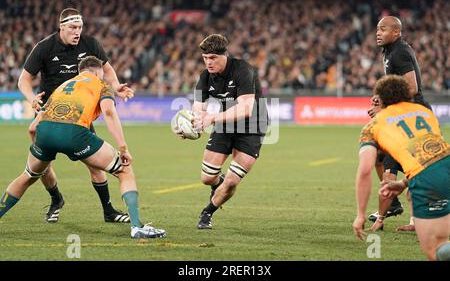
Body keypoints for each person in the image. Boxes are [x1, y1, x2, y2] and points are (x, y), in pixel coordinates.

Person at [0, 56, 165, 239]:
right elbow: (109, 112)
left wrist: (40, 150)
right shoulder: (101, 85)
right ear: (97, 71)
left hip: (45, 132)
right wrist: (123, 147)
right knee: (124, 170)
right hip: (74, 133)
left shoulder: (63, 87)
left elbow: (32, 127)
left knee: (28, 176)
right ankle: (137, 227)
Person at [18, 8, 134, 223]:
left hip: (79, 115)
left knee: (95, 165)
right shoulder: (44, 47)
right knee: (40, 167)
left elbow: (107, 70)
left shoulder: (91, 44)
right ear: (61, 27)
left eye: (80, 27)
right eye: (72, 27)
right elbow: (24, 80)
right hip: (50, 113)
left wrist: (117, 86)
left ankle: (108, 211)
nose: (77, 32)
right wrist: (30, 98)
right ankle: (56, 199)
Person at [175, 34, 268, 229]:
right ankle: (219, 184)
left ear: (224, 55)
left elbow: (245, 109)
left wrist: (212, 118)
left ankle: (207, 212)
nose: (208, 62)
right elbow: (198, 109)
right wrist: (191, 125)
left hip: (253, 126)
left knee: (233, 181)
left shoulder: (243, 70)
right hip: (226, 123)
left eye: (213, 58)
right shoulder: (205, 77)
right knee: (207, 177)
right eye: (205, 58)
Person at [353, 75, 450, 260]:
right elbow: (433, 155)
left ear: (380, 99)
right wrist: (404, 183)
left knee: (435, 248)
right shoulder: (424, 111)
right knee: (442, 240)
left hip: (427, 179)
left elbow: (366, 169)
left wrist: (360, 215)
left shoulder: (373, 126)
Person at [367, 16, 432, 232]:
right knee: (380, 157)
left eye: (383, 29)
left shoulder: (400, 51)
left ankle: (414, 218)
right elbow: (395, 85)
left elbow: (411, 87)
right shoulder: (389, 51)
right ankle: (392, 205)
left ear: (396, 32)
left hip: (415, 118)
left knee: (416, 169)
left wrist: (384, 104)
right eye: (377, 29)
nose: (378, 33)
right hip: (402, 116)